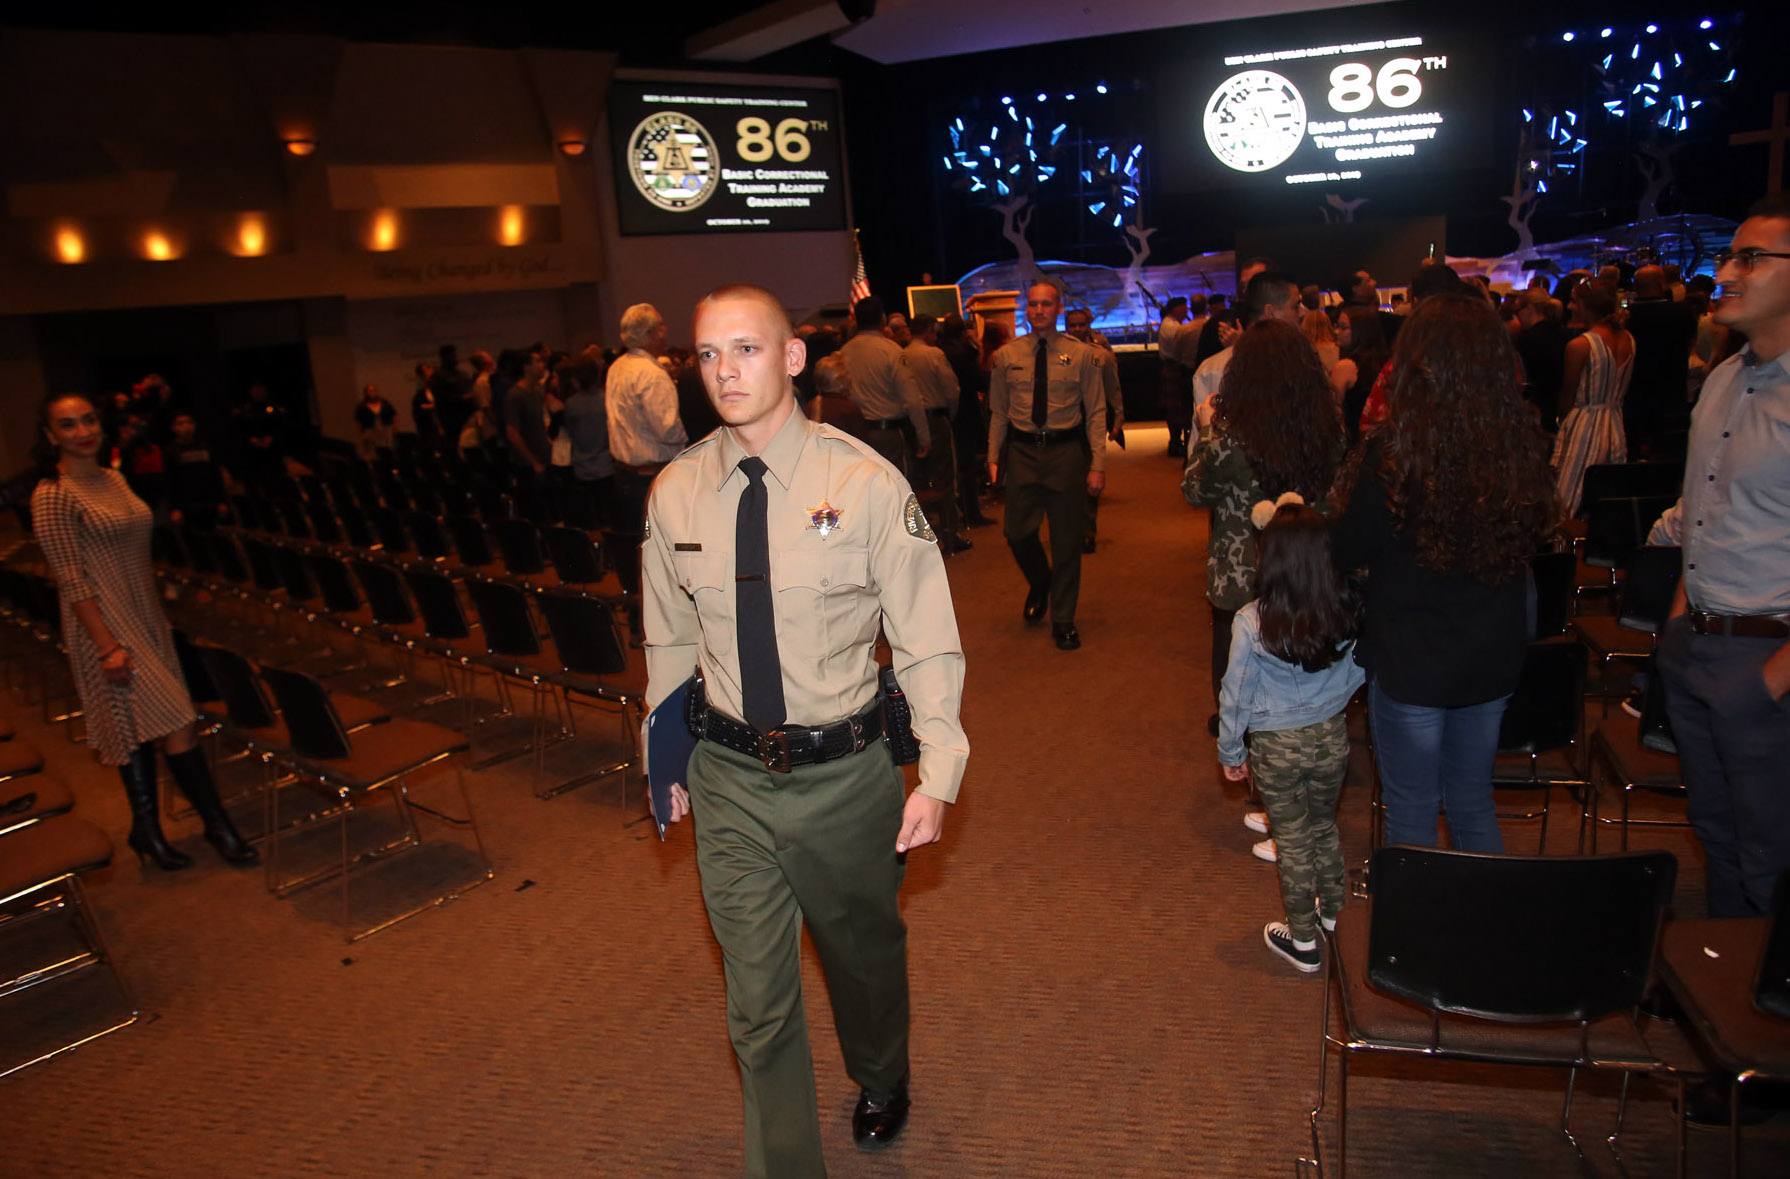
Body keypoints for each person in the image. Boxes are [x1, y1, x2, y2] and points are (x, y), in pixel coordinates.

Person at [644, 284, 967, 1179]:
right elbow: (669, 635)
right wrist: (664, 752)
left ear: (791, 358)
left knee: (862, 963)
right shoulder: (675, 492)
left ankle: (881, 1072)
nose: (725, 372)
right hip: (728, 775)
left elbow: (926, 635)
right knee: (756, 1000)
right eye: (708, 354)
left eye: (746, 349)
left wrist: (937, 771)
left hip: (843, 773)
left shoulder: (862, 483)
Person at [1331, 294, 1557, 853]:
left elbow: (1347, 547)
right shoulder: (1521, 444)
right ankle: (1483, 937)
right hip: (1491, 652)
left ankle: (1415, 938)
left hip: (1412, 656)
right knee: (1472, 798)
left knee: (1411, 811)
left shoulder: (1393, 450)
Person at [31, 393, 258, 871]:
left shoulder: (113, 478)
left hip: (145, 616)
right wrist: (107, 646)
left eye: (88, 420)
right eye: (67, 425)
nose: (82, 431)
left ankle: (147, 831)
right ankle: (218, 826)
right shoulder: (53, 494)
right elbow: (70, 577)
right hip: (104, 627)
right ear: (51, 436)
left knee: (136, 727)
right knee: (177, 721)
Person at [1657, 196, 1790, 920]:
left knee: (1773, 855)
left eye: (1752, 257)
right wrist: (1681, 625)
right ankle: (1735, 1002)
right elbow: (1704, 512)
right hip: (1698, 646)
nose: (1727, 270)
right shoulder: (1722, 378)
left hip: (1766, 661)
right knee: (1718, 838)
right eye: (1730, 254)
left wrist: (1771, 678)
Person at [1184, 318, 1347, 839]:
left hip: (1242, 577)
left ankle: (1282, 812)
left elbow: (1194, 491)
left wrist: (1205, 426)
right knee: (1307, 683)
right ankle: (1290, 804)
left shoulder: (1230, 437)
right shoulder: (1329, 430)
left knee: (1241, 685)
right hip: (1307, 570)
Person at [1217, 499, 1364, 972]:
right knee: (1324, 827)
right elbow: (1361, 668)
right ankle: (1336, 914)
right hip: (1330, 738)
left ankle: (1302, 939)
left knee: (1293, 840)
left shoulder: (1252, 621)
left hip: (1277, 748)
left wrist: (1231, 749)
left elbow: (1236, 694)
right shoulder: (1343, 612)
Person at [988, 279, 1107, 651]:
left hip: (1066, 452)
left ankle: (1064, 619)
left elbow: (1097, 412)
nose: (1039, 310)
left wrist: (1098, 464)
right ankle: (1041, 581)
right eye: (1033, 304)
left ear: (1058, 308)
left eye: (1046, 304)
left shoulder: (1083, 355)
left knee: (1067, 540)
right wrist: (993, 456)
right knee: (1017, 532)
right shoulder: (1007, 356)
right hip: (1023, 453)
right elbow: (997, 412)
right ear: (1028, 309)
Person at [608, 304, 689, 636]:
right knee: (659, 559)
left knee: (632, 559)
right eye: (662, 325)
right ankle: (660, 631)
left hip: (623, 474)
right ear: (653, 332)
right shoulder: (652, 374)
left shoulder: (617, 367)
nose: (666, 331)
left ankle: (636, 627)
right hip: (652, 476)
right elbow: (668, 430)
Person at [1551, 281, 1634, 515]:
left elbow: (1568, 395)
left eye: (1574, 301)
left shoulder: (1580, 345)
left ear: (1587, 306)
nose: (1569, 306)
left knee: (1566, 497)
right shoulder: (1629, 339)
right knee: (1607, 496)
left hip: (1584, 425)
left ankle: (1564, 547)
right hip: (1616, 424)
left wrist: (1561, 423)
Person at [903, 314, 970, 553]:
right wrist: (949, 415)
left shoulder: (902, 354)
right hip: (935, 417)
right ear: (930, 330)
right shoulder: (934, 355)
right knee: (944, 477)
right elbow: (952, 391)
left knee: (918, 479)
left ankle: (924, 532)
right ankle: (951, 532)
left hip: (910, 422)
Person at [839, 296, 929, 475]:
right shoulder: (891, 350)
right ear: (883, 319)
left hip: (855, 434)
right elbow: (911, 398)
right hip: (888, 434)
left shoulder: (844, 352)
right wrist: (923, 436)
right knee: (895, 486)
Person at [1065, 306, 1125, 554]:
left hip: (1091, 424)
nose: (1078, 329)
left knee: (1090, 481)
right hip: (1062, 426)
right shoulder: (1055, 356)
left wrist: (1118, 421)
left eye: (1082, 324)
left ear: (1088, 324)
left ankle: (1087, 533)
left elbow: (1114, 391)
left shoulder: (1102, 356)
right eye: (1073, 325)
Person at [1622, 264, 1697, 455]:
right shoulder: (1683, 313)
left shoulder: (1625, 317)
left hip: (1634, 393)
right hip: (1672, 389)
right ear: (1662, 284)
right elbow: (1690, 346)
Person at [937, 314, 992, 528]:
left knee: (953, 465)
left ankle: (959, 510)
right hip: (965, 411)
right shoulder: (964, 352)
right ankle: (972, 512)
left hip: (946, 413)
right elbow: (978, 381)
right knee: (967, 465)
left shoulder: (939, 350)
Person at [1158, 296, 1195, 456]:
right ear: (1176, 309)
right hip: (1174, 367)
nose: (1187, 310)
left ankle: (1175, 441)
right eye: (1184, 307)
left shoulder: (1172, 323)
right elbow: (1179, 350)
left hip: (1172, 367)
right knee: (1176, 408)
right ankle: (1175, 442)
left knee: (1176, 408)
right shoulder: (1172, 326)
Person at [807, 352, 869, 438]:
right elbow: (861, 445)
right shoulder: (848, 410)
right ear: (841, 381)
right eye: (848, 374)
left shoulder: (810, 406)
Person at [354, 384, 397, 459]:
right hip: (370, 430)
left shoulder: (385, 404)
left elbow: (393, 415)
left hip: (385, 429)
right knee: (372, 450)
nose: (372, 393)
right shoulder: (362, 407)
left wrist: (394, 428)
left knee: (388, 447)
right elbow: (358, 421)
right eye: (370, 391)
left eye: (374, 390)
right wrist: (361, 433)